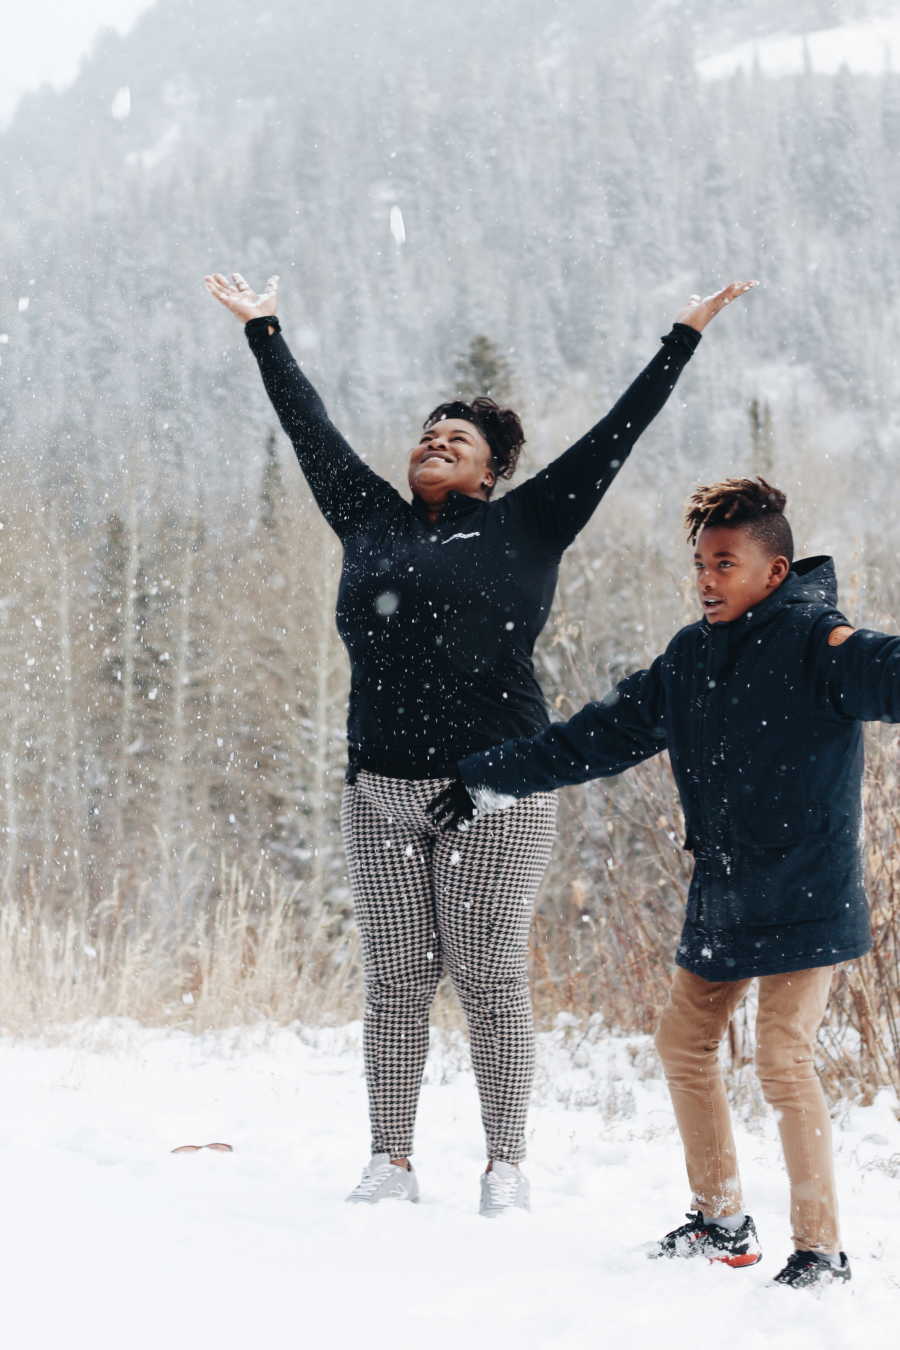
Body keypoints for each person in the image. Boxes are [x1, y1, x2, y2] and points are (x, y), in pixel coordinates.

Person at [204, 268, 755, 1215]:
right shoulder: (369, 520)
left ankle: (506, 1165)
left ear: (489, 470)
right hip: (377, 784)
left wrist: (682, 333)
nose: (432, 445)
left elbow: (618, 433)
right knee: (395, 981)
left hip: (496, 785)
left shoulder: (530, 524)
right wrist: (264, 329)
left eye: (455, 441)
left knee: (489, 973)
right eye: (426, 434)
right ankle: (392, 1161)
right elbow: (310, 430)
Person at [429, 476, 894, 1279]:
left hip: (806, 891)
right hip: (723, 890)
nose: (707, 580)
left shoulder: (823, 647)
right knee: (683, 1044)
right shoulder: (689, 659)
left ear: (774, 572)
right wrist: (487, 777)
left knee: (783, 1059)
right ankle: (720, 1222)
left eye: (725, 564)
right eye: (701, 564)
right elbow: (594, 736)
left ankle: (821, 1250)